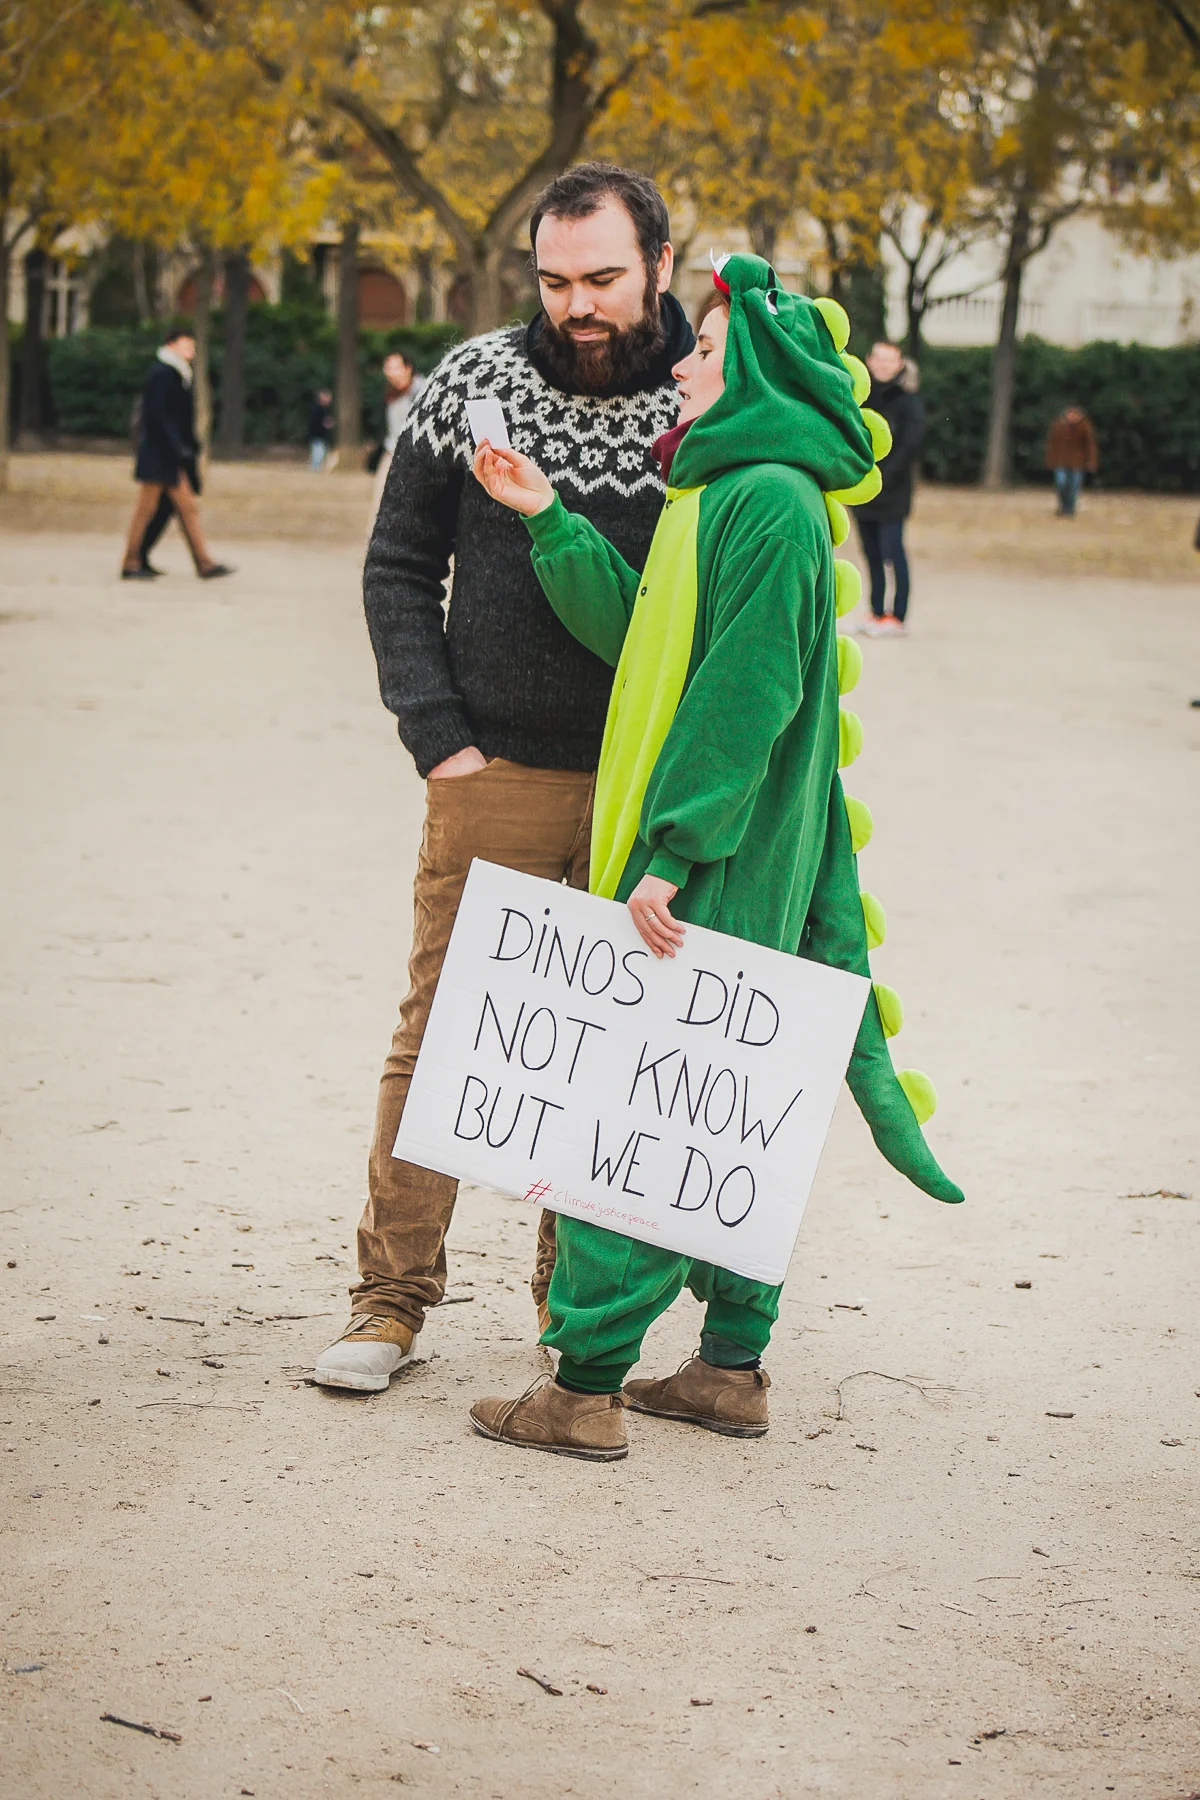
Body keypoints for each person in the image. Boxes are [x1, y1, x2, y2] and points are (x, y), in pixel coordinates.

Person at [465, 253, 962, 1461]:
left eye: (705, 348)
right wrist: (547, 518)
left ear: (755, 371)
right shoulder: (725, 495)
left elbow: (746, 693)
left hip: (716, 857)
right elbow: (650, 637)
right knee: (741, 1103)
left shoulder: (774, 502)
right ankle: (731, 1370)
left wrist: (673, 852)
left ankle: (581, 1387)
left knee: (634, 1108)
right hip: (731, 848)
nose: (683, 358)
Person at [313, 163, 696, 1393]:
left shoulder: (714, 402)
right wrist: (441, 739)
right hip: (497, 770)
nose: (576, 305)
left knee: (604, 1054)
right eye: (554, 280)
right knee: (439, 1038)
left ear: (661, 268)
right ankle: (389, 1302)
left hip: (646, 791)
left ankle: (565, 1314)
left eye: (602, 280)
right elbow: (396, 568)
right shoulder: (472, 381)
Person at [120, 328, 232, 581]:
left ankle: (204, 563)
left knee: (187, 507)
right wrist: (177, 446)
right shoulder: (162, 373)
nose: (191, 350)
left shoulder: (179, 374)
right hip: (159, 455)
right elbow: (157, 416)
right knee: (147, 510)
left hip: (169, 456)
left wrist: (188, 446)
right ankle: (130, 562)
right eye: (186, 345)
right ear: (171, 346)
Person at [853, 340, 924, 637]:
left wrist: (884, 474)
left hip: (893, 492)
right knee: (870, 553)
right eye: (878, 359)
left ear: (899, 365)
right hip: (862, 491)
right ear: (869, 361)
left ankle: (898, 615)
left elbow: (911, 444)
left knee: (892, 551)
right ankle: (877, 611)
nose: (883, 365)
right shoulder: (858, 399)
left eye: (890, 360)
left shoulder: (909, 402)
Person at [368, 352, 428, 524]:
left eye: (394, 367)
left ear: (408, 369)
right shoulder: (391, 393)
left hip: (415, 456)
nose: (388, 371)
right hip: (391, 452)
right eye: (387, 367)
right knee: (380, 501)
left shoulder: (422, 391)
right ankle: (376, 543)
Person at [1044, 404, 1098, 516]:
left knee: (1074, 487)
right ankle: (1062, 505)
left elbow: (1090, 445)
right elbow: (1052, 444)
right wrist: (1050, 459)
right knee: (1061, 483)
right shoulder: (1058, 426)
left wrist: (1091, 461)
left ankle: (1070, 508)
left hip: (1077, 462)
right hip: (1060, 461)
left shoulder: (1084, 427)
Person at [308, 388, 335, 471]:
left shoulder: (324, 409)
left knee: (321, 454)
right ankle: (314, 470)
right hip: (317, 435)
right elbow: (317, 421)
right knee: (318, 454)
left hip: (322, 436)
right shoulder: (317, 409)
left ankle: (316, 470)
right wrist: (327, 423)